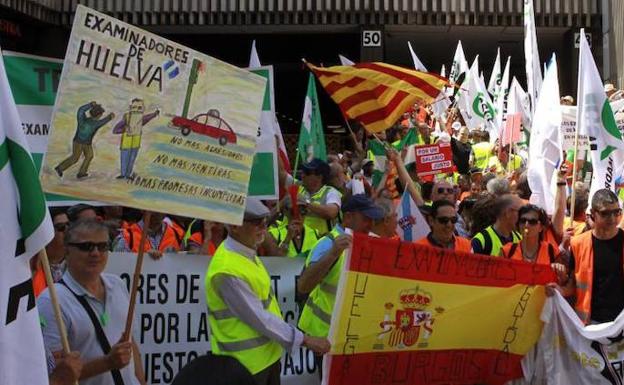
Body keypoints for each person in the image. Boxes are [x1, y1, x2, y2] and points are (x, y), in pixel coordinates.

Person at [205, 198, 330, 385]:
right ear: (234, 226)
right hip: (244, 368)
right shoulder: (226, 270)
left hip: (266, 360)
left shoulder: (246, 253)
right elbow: (260, 318)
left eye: (264, 222)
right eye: (256, 223)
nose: (263, 228)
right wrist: (306, 340)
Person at [37, 219, 146, 385]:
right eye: (86, 246)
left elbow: (131, 347)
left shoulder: (117, 285)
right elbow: (56, 376)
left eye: (102, 246)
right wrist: (108, 362)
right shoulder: (51, 301)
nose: (95, 253)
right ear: (67, 250)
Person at [298, 195, 383, 337]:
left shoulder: (369, 242)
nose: (371, 224)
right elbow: (303, 286)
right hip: (321, 335)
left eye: (373, 219)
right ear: (349, 217)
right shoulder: (328, 244)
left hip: (348, 334)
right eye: (366, 219)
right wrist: (332, 254)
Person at [566, 189, 624, 324]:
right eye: (605, 213)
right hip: (590, 323)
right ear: (592, 214)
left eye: (616, 212)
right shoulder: (577, 244)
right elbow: (572, 286)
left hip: (621, 322)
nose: (612, 218)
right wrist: (558, 291)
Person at [502, 205, 568, 284]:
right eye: (523, 220)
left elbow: (562, 282)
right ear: (518, 225)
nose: (526, 225)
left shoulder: (551, 250)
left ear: (540, 227)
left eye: (532, 222)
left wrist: (562, 274)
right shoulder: (507, 251)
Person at [55, 101, 115, 179]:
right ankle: (60, 168)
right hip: (80, 143)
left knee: (88, 155)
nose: (101, 116)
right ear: (98, 115)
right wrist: (110, 117)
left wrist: (90, 105)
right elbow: (103, 122)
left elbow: (80, 110)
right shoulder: (96, 124)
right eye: (101, 115)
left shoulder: (82, 119)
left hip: (82, 142)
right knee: (76, 158)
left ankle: (82, 172)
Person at [112, 98, 160, 179]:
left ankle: (128, 174)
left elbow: (147, 118)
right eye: (134, 107)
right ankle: (123, 174)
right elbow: (115, 130)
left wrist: (154, 114)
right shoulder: (127, 117)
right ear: (130, 108)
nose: (137, 110)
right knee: (125, 159)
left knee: (132, 159)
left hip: (135, 143)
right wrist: (124, 129)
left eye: (140, 108)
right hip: (126, 143)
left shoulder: (140, 118)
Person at [297, 158, 342, 236]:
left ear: (319, 177)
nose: (302, 175)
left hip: (320, 242)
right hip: (297, 241)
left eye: (307, 173)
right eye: (303, 172)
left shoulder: (331, 192)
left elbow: (331, 213)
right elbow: (281, 173)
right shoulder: (297, 188)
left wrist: (306, 203)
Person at [33, 208, 69, 297]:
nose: (67, 230)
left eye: (69, 225)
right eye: (61, 227)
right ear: (48, 232)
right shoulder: (33, 266)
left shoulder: (78, 262)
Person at [113, 212, 183, 257]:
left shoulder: (178, 235)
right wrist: (146, 259)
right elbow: (120, 268)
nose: (157, 211)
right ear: (142, 209)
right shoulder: (127, 237)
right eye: (153, 205)